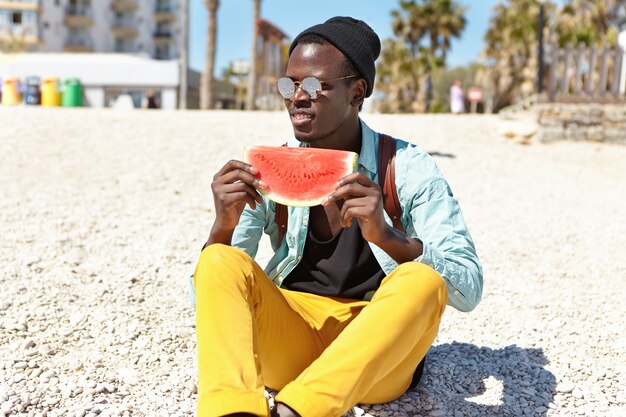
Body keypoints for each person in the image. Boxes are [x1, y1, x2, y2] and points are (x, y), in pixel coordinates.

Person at [192, 16, 482, 417]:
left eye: (315, 85)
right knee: (218, 259)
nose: (297, 97)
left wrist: (388, 236)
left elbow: (468, 289)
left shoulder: (408, 167)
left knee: (422, 280)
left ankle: (298, 410)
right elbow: (213, 306)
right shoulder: (264, 170)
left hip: (375, 355)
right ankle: (231, 411)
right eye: (288, 85)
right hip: (291, 336)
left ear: (357, 91)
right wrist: (221, 227)